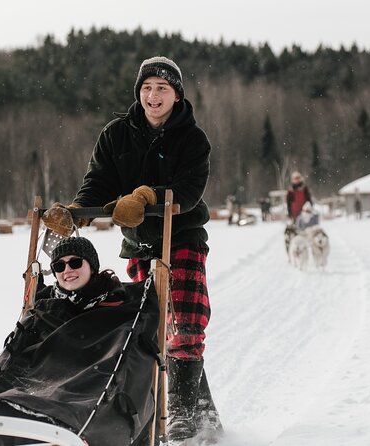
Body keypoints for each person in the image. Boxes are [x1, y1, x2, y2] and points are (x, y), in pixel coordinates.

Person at [42, 56, 221, 442]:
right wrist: (76, 211)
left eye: (162, 89)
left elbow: (188, 194)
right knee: (153, 331)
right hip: (139, 245)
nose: (153, 96)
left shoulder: (194, 139)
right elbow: (99, 183)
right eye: (146, 88)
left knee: (185, 326)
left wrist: (145, 195)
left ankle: (185, 416)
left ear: (176, 95)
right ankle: (204, 411)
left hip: (183, 238)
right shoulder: (115, 134)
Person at [0, 236, 159, 446]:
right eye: (59, 266)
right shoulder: (47, 308)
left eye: (75, 262)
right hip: (39, 386)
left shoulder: (120, 304)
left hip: (88, 390)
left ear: (92, 266)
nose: (67, 270)